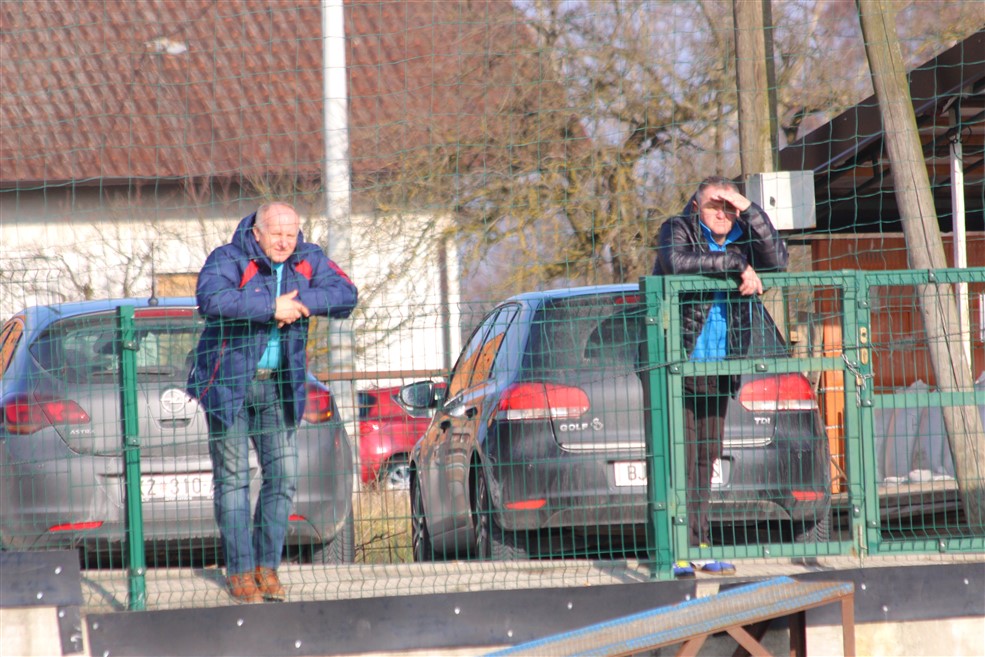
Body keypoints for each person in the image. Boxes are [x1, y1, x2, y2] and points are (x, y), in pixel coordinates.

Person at [187, 201, 358, 603]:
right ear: (257, 231)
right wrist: (270, 308)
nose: (283, 242)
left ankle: (268, 568)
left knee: (282, 478)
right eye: (276, 234)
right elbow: (211, 300)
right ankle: (241, 572)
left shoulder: (308, 258)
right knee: (233, 482)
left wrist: (301, 303)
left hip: (279, 387)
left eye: (290, 234)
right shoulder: (228, 257)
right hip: (229, 385)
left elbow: (346, 294)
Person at [653, 176, 788, 548]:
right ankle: (674, 546)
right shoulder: (677, 229)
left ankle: (699, 542)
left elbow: (778, 262)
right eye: (715, 204)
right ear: (697, 206)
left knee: (705, 459)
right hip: (676, 366)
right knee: (677, 457)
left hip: (719, 368)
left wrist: (749, 209)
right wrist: (737, 265)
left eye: (730, 206)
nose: (723, 213)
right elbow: (677, 263)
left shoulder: (743, 235)